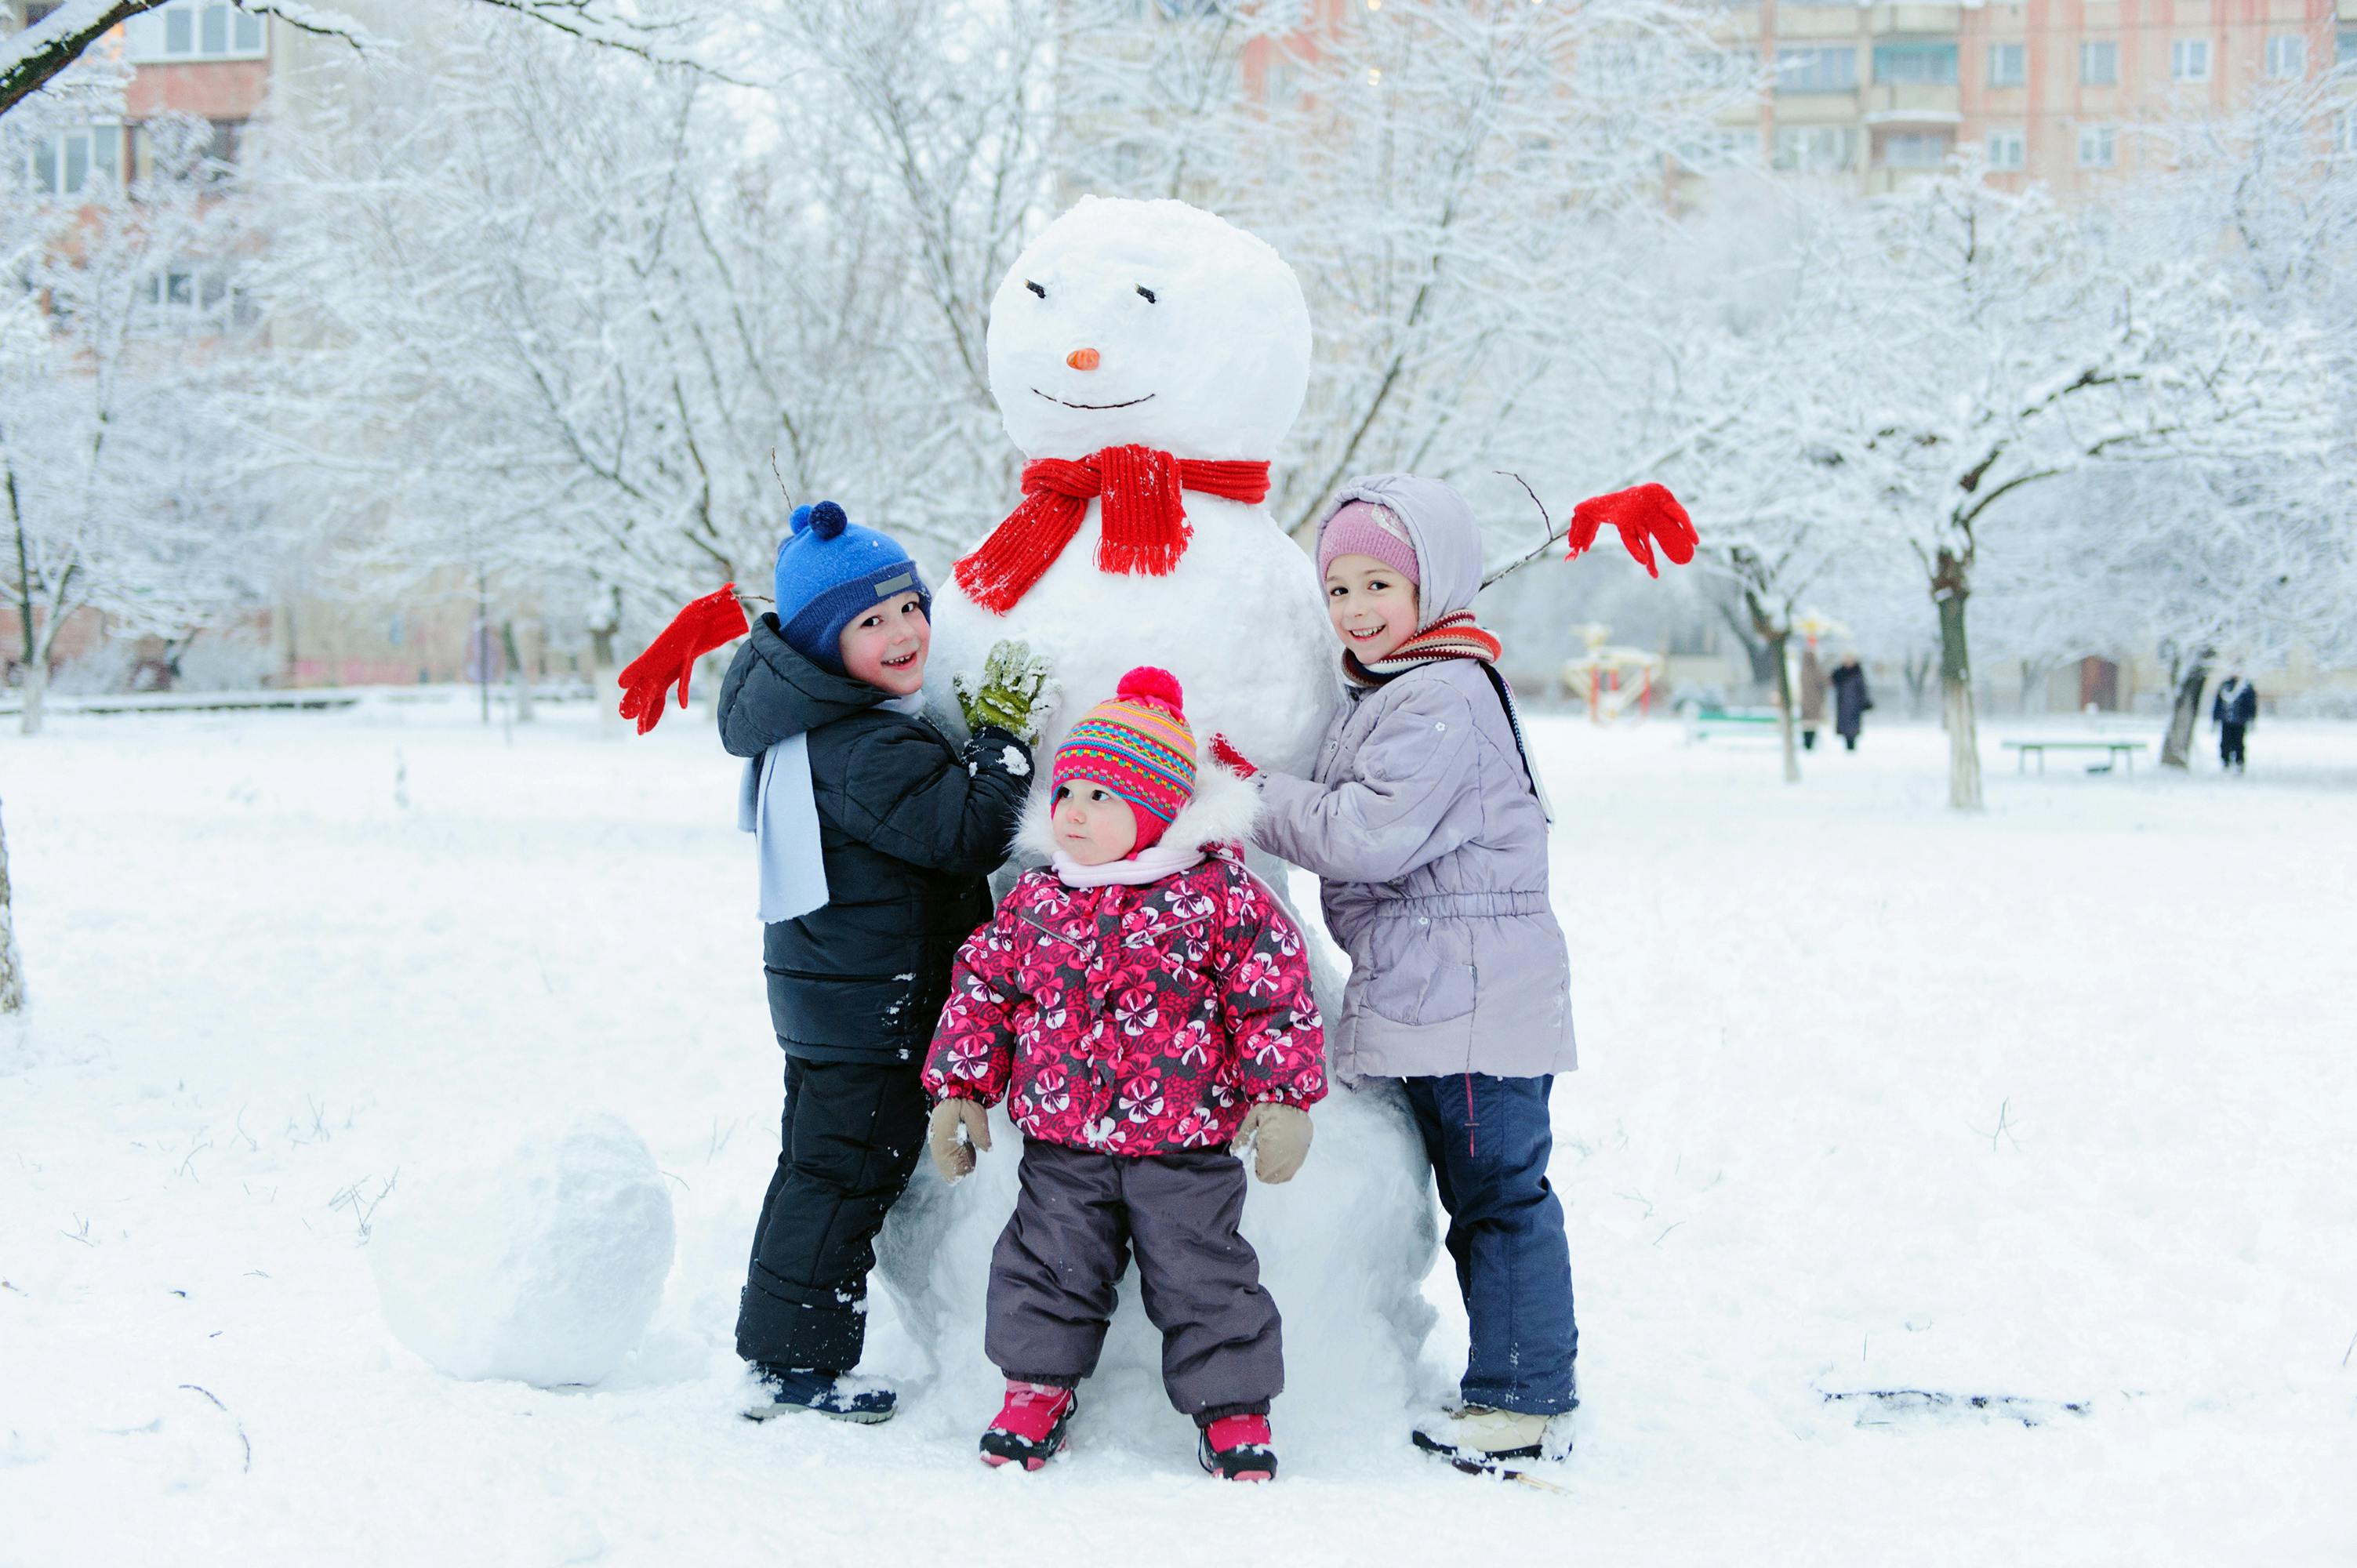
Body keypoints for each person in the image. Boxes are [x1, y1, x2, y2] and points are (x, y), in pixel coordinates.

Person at [1210, 475, 1579, 1474]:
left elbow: (1365, 831)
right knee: (1489, 1192)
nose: (1357, 610)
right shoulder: (1414, 681)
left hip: (1470, 1001)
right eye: (1338, 590)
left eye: (1381, 583)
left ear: (1438, 583)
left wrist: (1243, 789)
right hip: (1448, 989)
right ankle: (1520, 1380)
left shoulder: (1443, 696)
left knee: (1499, 1195)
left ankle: (1521, 1395)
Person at [923, 668, 1326, 1482]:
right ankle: (1036, 1386)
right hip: (1064, 1137)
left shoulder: (1216, 896)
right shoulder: (1039, 899)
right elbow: (985, 989)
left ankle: (1234, 1406)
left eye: (1101, 795)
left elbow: (1273, 995)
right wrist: (960, 1087)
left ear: (1157, 810)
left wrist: (1282, 1097)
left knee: (1203, 1270)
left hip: (1184, 1141)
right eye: (1066, 788)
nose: (1072, 809)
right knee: (1047, 1262)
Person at [706, 500, 1048, 1422]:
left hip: (840, 994)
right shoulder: (861, 745)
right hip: (871, 1008)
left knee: (822, 1171)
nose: (903, 632)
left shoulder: (833, 723)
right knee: (840, 1179)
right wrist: (1003, 744)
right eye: (872, 620)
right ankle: (793, 1364)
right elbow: (968, 833)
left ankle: (785, 1349)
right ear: (825, 641)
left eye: (909, 607)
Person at [2213, 672, 2257, 773]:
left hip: (2240, 721)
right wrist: (2216, 718)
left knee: (2239, 743)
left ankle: (2239, 762)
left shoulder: (2246, 686)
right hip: (2226, 721)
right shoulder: (2225, 685)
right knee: (2225, 742)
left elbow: (2251, 704)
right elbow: (2218, 703)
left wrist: (2251, 718)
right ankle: (2226, 761)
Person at [1830, 652, 1872, 753]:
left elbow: (1863, 689)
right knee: (1846, 726)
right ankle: (1848, 747)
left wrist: (1864, 701)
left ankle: (1852, 747)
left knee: (1853, 727)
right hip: (1843, 704)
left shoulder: (1858, 672)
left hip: (1854, 705)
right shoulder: (1839, 673)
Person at [1799, 644, 1829, 750]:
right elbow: (1824, 682)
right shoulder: (1815, 670)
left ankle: (1808, 744)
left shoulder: (1804, 670)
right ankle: (1809, 744)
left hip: (1807, 702)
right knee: (1811, 723)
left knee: (1808, 724)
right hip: (1813, 701)